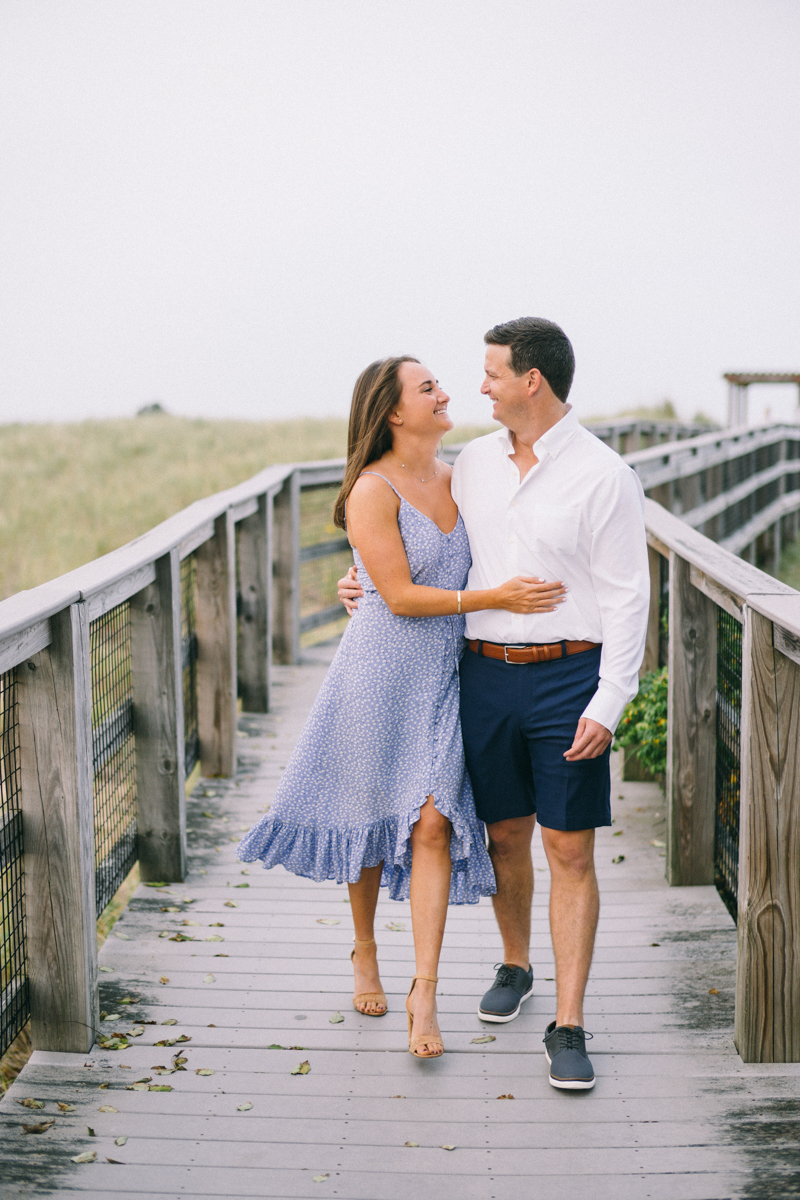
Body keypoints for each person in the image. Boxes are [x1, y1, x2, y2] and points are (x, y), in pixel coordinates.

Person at [338, 318, 650, 1089]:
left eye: (492, 373)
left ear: (531, 380)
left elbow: (628, 598)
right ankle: (516, 965)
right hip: (478, 675)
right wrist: (360, 589)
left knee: (568, 847)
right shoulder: (468, 464)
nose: (477, 386)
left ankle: (568, 1024)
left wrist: (611, 699)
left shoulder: (603, 476)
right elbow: (404, 539)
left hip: (569, 678)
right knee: (506, 837)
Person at [237, 354, 566, 1059]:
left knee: (431, 825)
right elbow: (399, 595)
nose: (445, 393)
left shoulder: (464, 476)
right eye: (428, 388)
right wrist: (492, 598)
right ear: (392, 411)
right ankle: (363, 949)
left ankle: (425, 990)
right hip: (379, 670)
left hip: (450, 675)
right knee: (367, 815)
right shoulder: (370, 489)